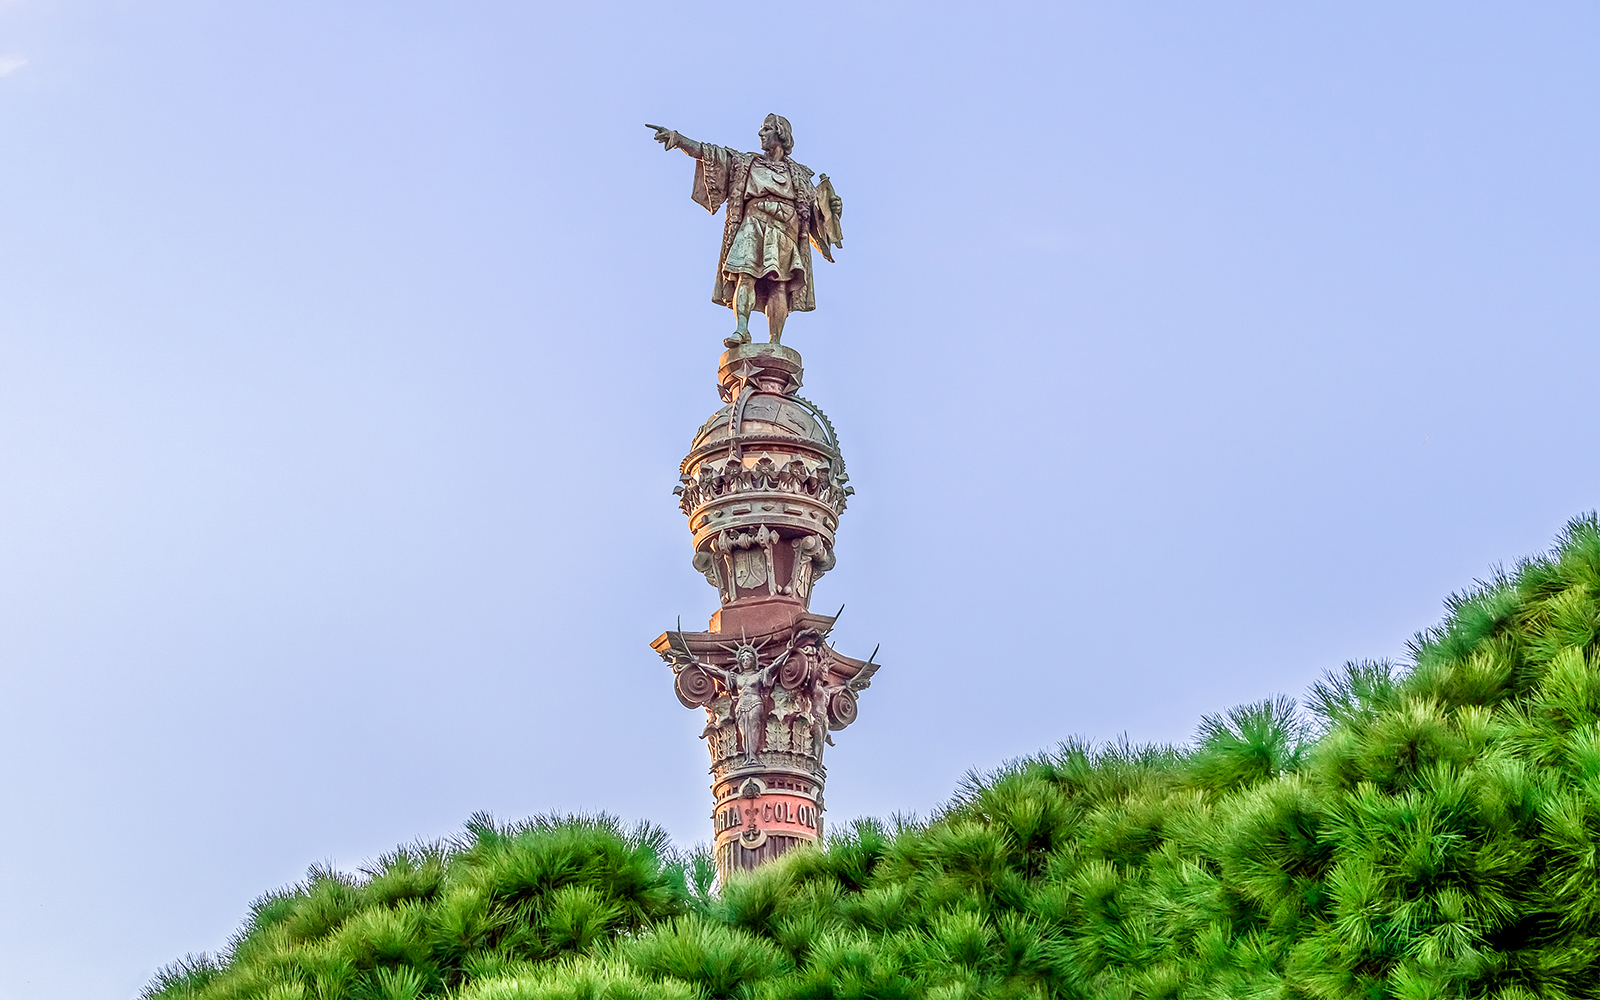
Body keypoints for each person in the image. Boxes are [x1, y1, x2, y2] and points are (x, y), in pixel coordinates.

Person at [651, 114, 843, 348]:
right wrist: (678, 139)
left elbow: (818, 213)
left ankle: (775, 342)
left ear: (780, 134)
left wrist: (834, 208)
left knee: (779, 284)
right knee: (745, 275)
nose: (760, 134)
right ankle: (742, 329)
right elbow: (711, 154)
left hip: (785, 231)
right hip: (753, 222)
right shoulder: (746, 163)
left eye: (767, 129)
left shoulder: (800, 176)